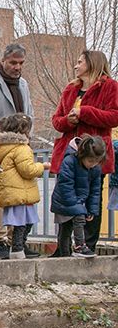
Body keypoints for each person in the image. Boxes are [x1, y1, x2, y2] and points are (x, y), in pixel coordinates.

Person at [51, 50, 118, 253]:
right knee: (65, 199)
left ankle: (87, 246)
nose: (76, 65)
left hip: (93, 155)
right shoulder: (71, 88)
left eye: (80, 62)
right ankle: (63, 249)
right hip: (69, 155)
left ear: (92, 63)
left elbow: (114, 117)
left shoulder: (110, 86)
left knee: (91, 200)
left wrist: (85, 112)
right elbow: (56, 120)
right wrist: (68, 121)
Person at [0, 43, 35, 260]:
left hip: (22, 146)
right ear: (3, 61)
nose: (17, 67)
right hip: (0, 147)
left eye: (21, 63)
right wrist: (14, 129)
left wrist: (26, 134)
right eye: (13, 63)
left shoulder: (23, 84)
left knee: (18, 196)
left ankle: (16, 242)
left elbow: (30, 114)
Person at [0, 113, 50, 259]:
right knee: (23, 222)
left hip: (12, 191)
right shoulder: (22, 148)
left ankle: (18, 247)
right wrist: (42, 166)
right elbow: (28, 170)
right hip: (21, 193)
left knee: (21, 222)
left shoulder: (3, 147)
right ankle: (18, 248)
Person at [51, 136, 106, 257]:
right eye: (90, 161)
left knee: (67, 227)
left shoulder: (95, 169)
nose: (93, 164)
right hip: (64, 200)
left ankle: (66, 254)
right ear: (82, 154)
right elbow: (65, 185)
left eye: (97, 161)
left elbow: (95, 191)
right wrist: (77, 206)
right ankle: (78, 247)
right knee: (70, 225)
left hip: (78, 201)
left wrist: (91, 210)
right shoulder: (69, 161)